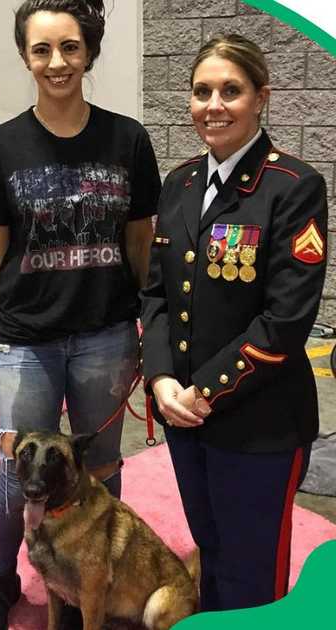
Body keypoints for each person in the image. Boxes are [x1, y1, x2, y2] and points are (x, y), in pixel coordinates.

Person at [0, 1, 161, 628]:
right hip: (26, 342)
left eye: (70, 48)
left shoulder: (128, 139)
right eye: (43, 49)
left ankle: (85, 585)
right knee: (14, 475)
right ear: (25, 55)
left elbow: (139, 242)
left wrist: (149, 334)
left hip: (106, 337)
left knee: (98, 471)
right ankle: (2, 582)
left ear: (89, 52)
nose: (57, 62)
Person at [141, 33, 324, 612]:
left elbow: (285, 321)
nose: (213, 104)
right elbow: (156, 295)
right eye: (201, 91)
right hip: (185, 418)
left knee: (252, 575)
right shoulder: (179, 184)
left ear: (260, 97)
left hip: (258, 425)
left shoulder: (293, 188)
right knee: (210, 552)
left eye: (231, 90)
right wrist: (162, 379)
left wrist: (203, 391)